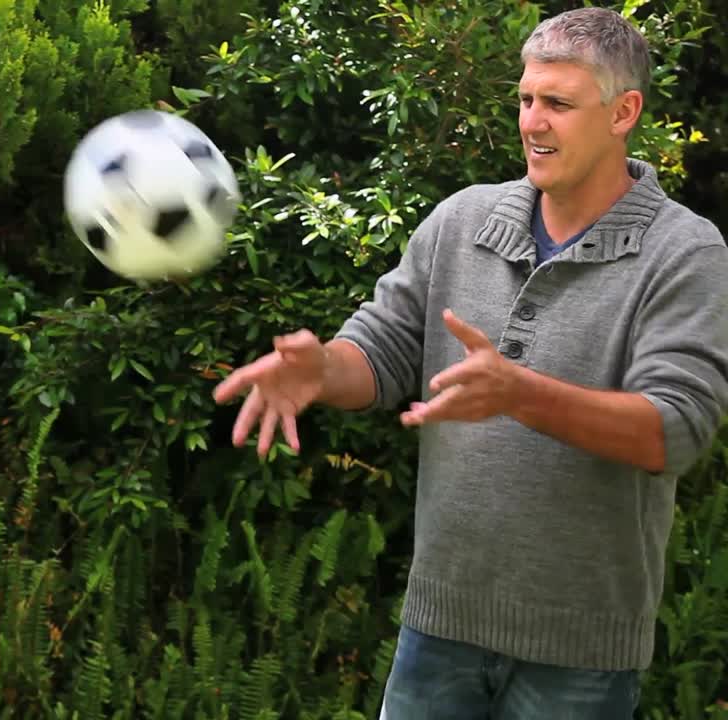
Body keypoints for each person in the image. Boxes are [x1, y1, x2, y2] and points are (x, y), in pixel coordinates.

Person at [213, 7, 728, 718]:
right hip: (438, 627)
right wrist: (323, 370)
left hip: (580, 652)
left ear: (623, 113)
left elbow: (675, 431)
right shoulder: (462, 222)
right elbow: (381, 351)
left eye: (558, 104)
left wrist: (520, 394)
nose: (532, 122)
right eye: (526, 99)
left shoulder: (684, 253)